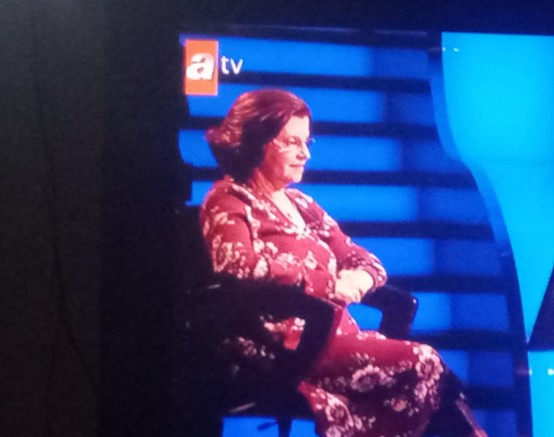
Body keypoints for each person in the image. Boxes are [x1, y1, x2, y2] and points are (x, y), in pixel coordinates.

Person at [200, 88, 486, 437]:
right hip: (283, 345)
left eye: (306, 142)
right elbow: (237, 265)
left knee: (433, 383)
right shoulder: (229, 198)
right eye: (291, 142)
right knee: (425, 364)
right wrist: (327, 284)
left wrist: (359, 280)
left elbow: (364, 259)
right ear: (257, 141)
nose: (305, 153)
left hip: (334, 334)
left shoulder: (301, 204)